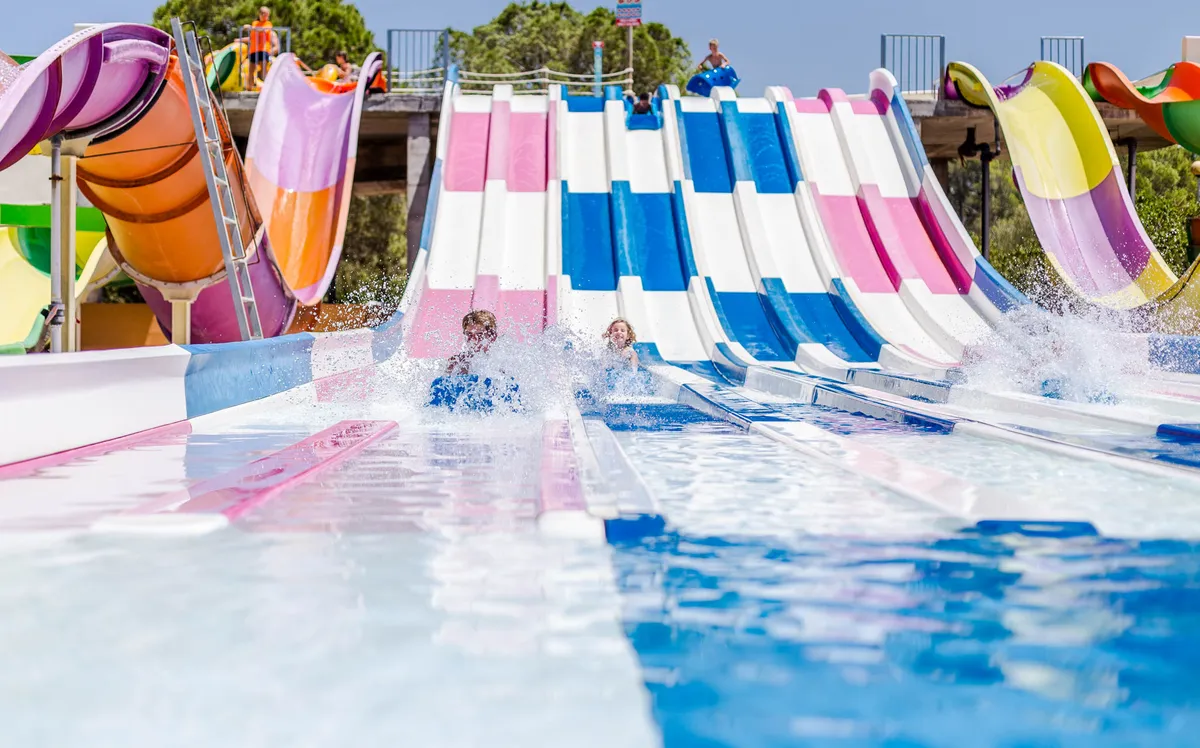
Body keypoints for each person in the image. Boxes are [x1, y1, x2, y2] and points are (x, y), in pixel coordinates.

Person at [445, 310, 498, 375]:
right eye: (469, 334)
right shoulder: (457, 362)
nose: (473, 339)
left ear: (492, 337)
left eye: (479, 335)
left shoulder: (500, 363)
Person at [246, 6, 279, 90]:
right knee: (251, 70)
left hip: (263, 49)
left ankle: (269, 88)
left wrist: (250, 27)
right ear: (259, 14)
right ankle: (249, 88)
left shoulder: (268, 24)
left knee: (264, 70)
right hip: (254, 50)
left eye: (266, 14)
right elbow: (251, 37)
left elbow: (261, 30)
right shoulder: (255, 23)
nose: (264, 15)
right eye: (263, 13)